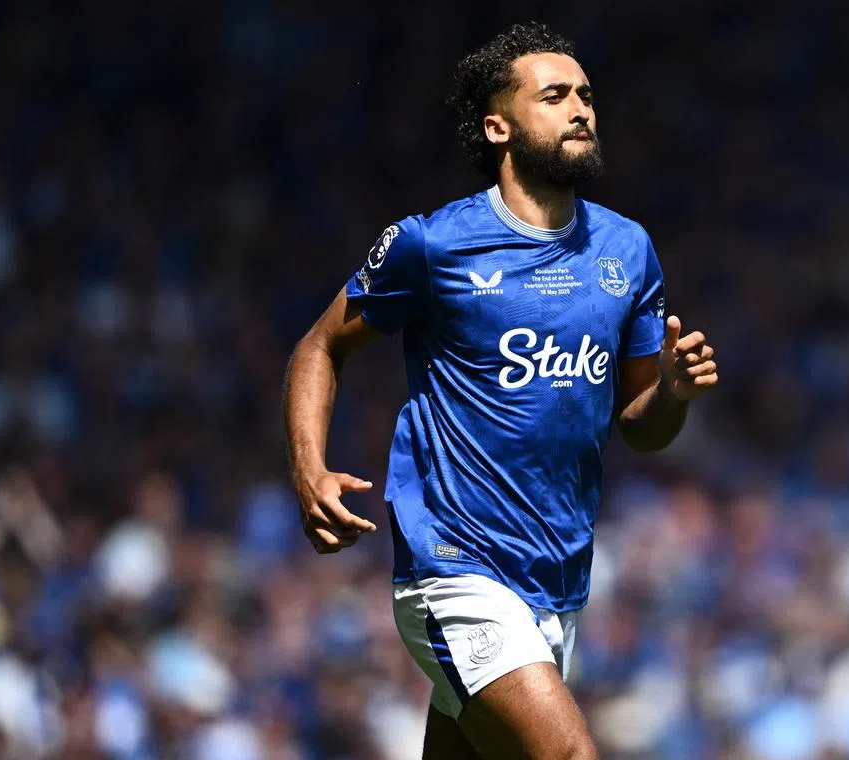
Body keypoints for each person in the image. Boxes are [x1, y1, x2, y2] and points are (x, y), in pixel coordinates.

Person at [283, 21, 718, 760]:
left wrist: (672, 394)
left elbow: (640, 426)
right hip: (454, 568)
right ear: (498, 128)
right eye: (554, 96)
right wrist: (308, 469)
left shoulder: (628, 249)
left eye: (586, 95)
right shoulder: (433, 245)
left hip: (558, 581)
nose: (580, 109)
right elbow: (320, 346)